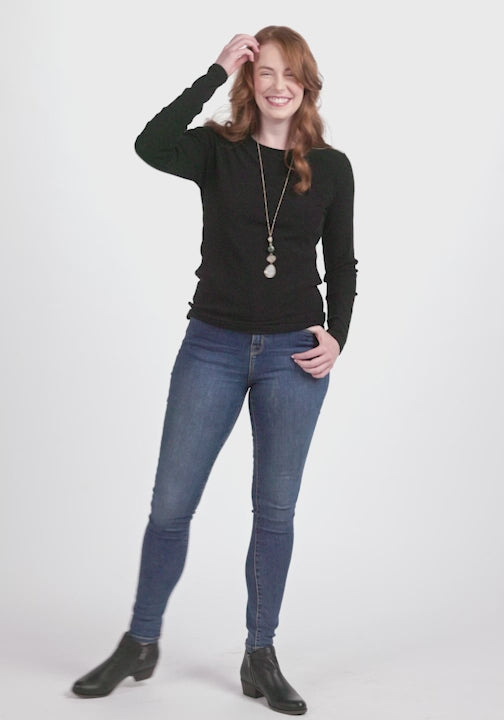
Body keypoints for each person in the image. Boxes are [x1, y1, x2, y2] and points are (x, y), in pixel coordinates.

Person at [71, 25, 358, 715]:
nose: (279, 86)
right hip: (213, 347)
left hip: (294, 357)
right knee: (171, 505)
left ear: (307, 85)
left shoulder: (332, 167)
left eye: (291, 74)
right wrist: (214, 68)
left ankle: (261, 654)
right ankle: (141, 641)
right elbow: (150, 143)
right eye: (266, 73)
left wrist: (338, 337)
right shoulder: (216, 150)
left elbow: (342, 262)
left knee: (275, 512)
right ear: (250, 82)